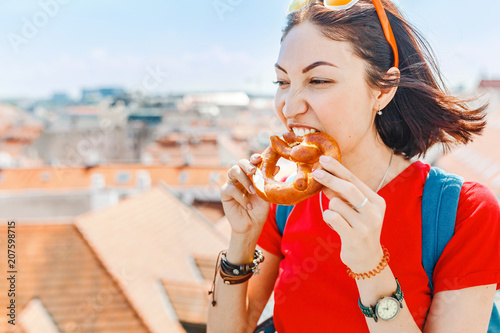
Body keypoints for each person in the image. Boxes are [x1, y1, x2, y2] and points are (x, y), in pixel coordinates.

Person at [207, 0, 500, 332]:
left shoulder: (465, 213)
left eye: (318, 81)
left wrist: (371, 267)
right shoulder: (283, 206)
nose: (289, 106)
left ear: (383, 89)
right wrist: (242, 239)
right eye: (282, 82)